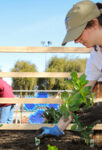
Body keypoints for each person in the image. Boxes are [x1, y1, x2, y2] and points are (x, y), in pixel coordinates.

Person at [38, 0, 102, 138]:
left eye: (78, 33)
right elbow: (81, 93)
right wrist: (59, 127)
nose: (76, 40)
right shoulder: (97, 55)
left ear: (95, 24)